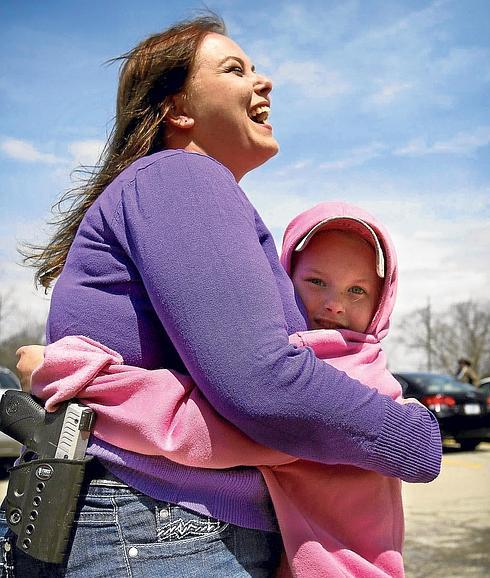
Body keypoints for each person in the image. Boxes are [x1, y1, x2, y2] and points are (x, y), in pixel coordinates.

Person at [4, 14, 441, 577]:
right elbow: (261, 383)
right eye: (235, 69)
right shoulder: (180, 177)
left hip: (159, 527)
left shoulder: (177, 188)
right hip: (166, 531)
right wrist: (410, 434)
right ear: (177, 109)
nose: (265, 82)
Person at [23, 200, 411, 577]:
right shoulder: (303, 354)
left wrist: (82, 377)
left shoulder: (353, 373)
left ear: (382, 302)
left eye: (356, 291)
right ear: (281, 280)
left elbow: (200, 427)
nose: (334, 304)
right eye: (315, 281)